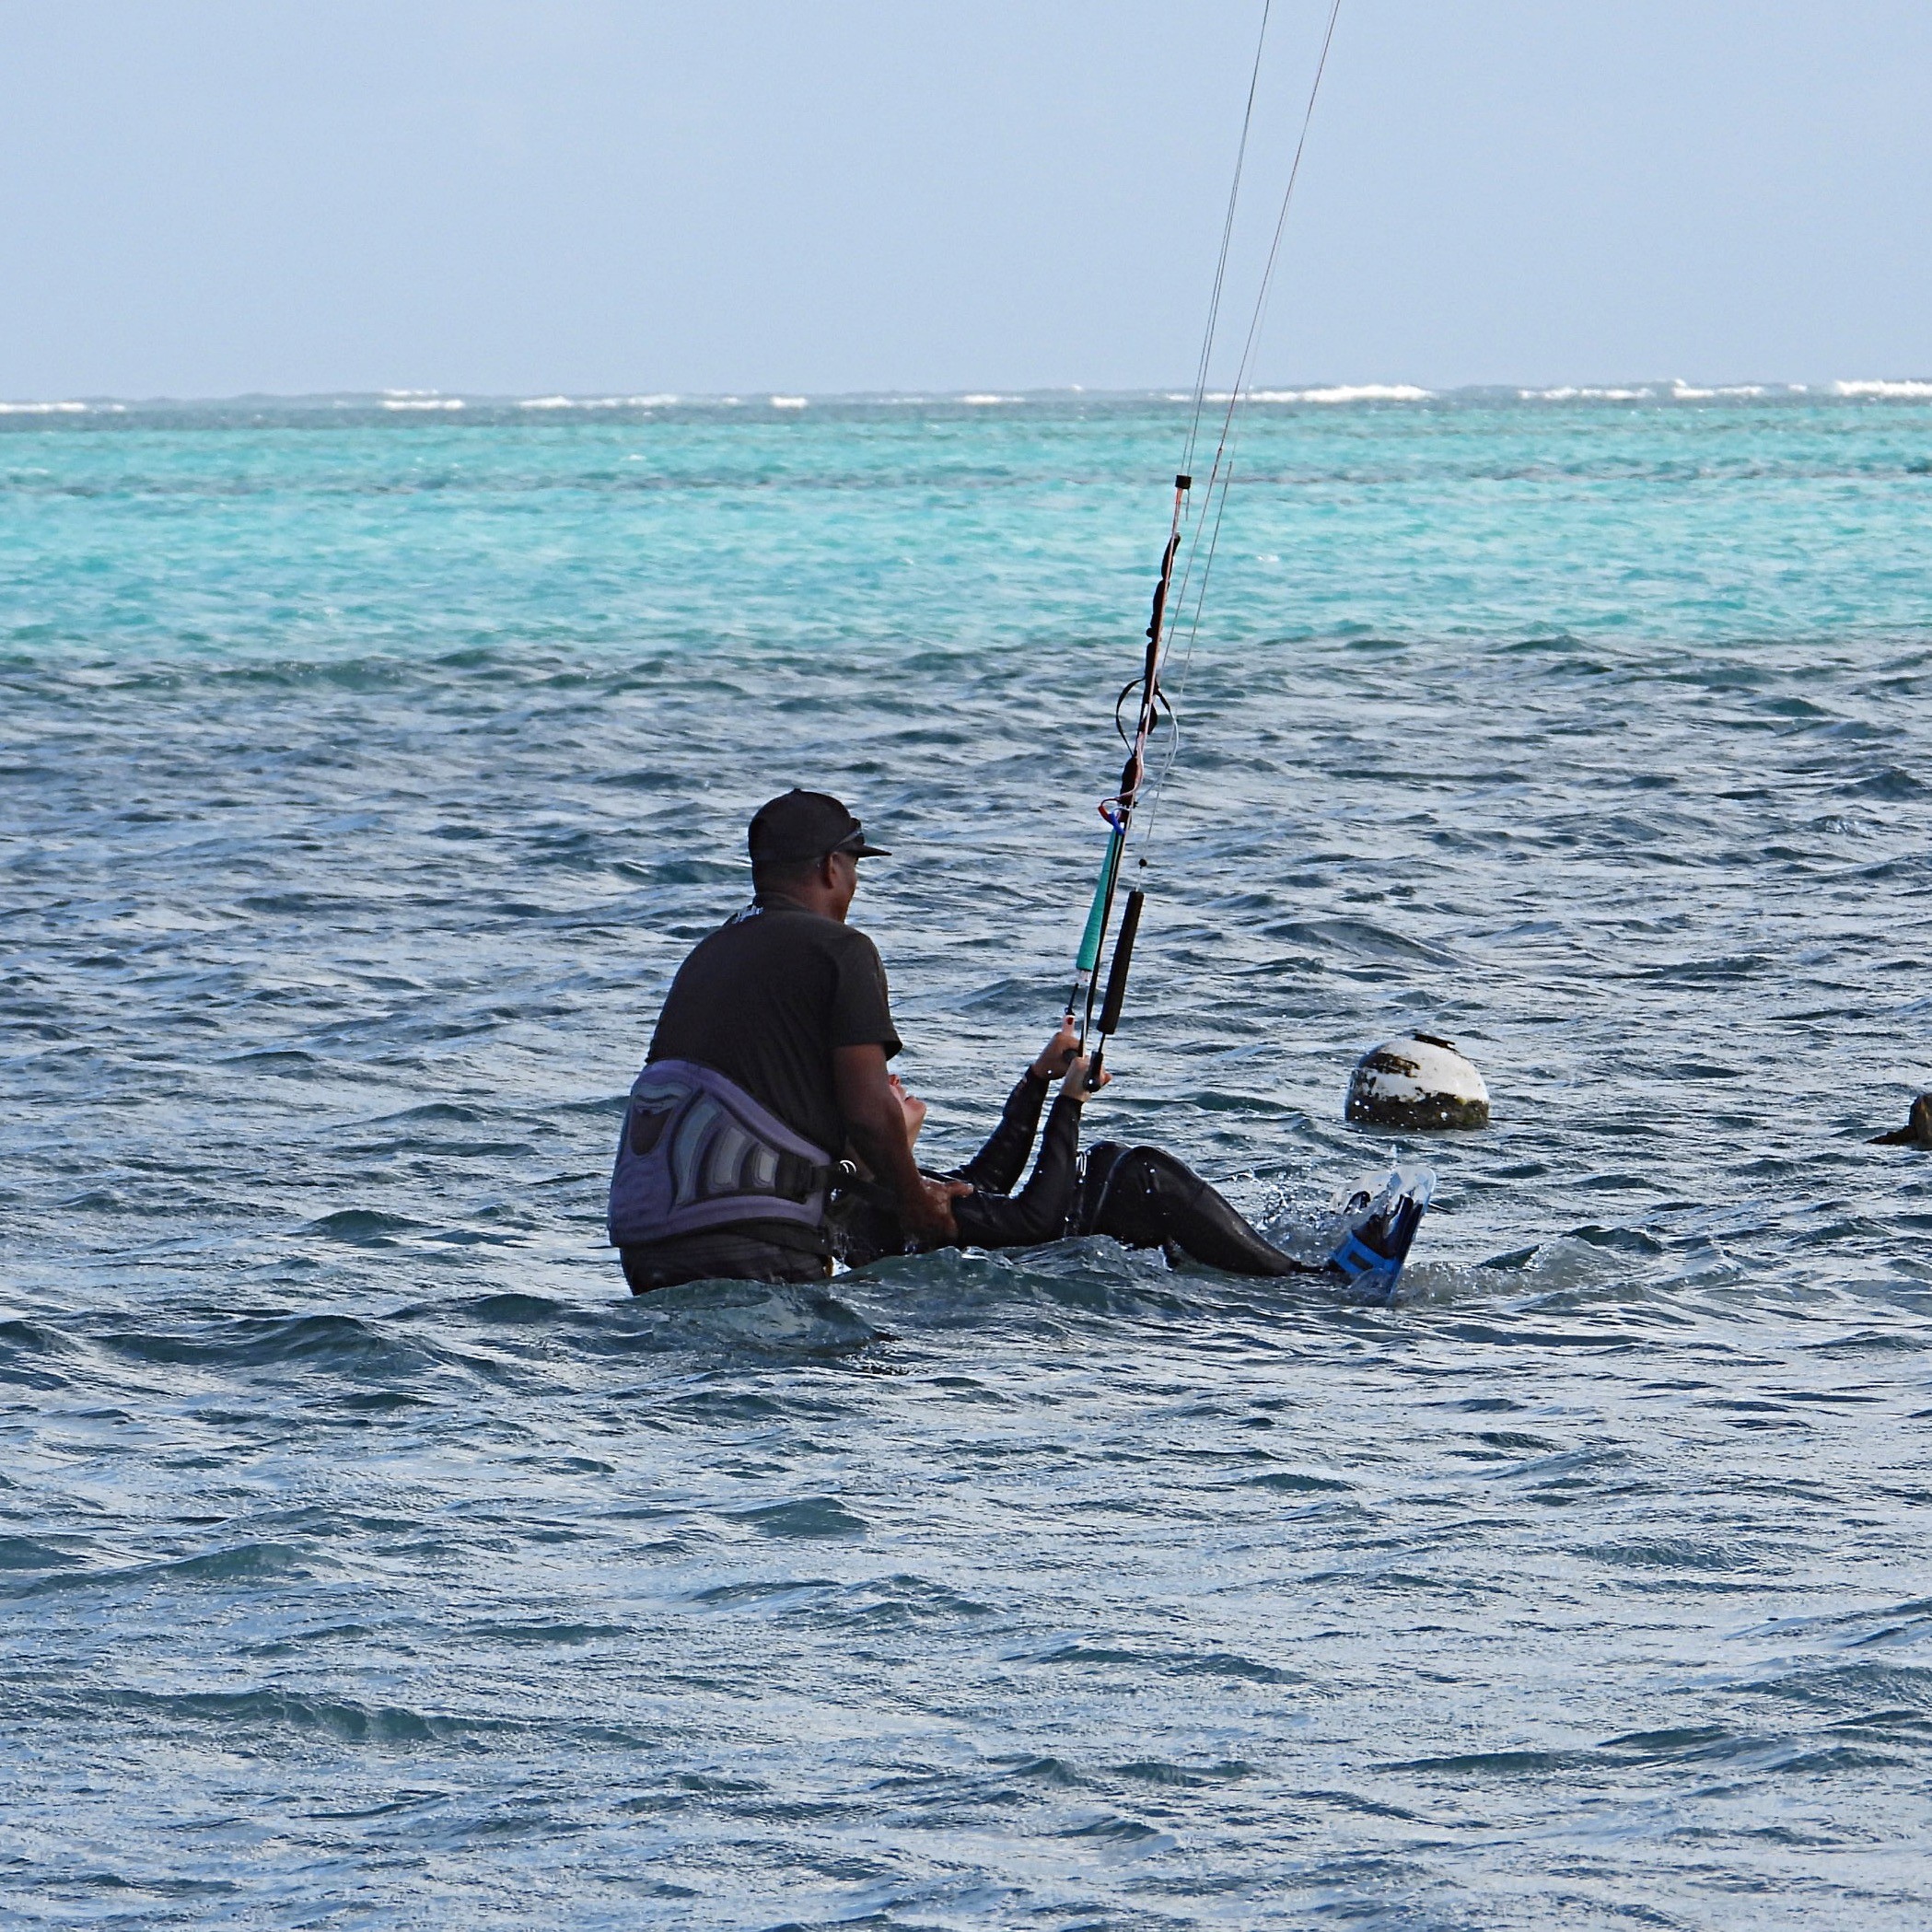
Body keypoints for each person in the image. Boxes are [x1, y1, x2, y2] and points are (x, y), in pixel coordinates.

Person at [609, 789, 957, 1293]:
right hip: (754, 1242)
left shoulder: (709, 953)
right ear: (831, 867)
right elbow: (867, 1109)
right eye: (853, 867)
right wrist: (917, 1204)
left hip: (648, 1244)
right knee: (856, 1369)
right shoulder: (843, 951)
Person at [831, 1020, 1430, 1288]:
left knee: (1126, 1166)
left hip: (1103, 1211)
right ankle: (1311, 1287)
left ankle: (1296, 1260)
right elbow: (1032, 1221)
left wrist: (1038, 1078)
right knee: (1140, 1172)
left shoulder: (896, 1188)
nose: (897, 1083)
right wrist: (1068, 1107)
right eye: (882, 1087)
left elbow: (987, 1180)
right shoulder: (888, 1206)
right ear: (863, 1127)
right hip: (1105, 1218)